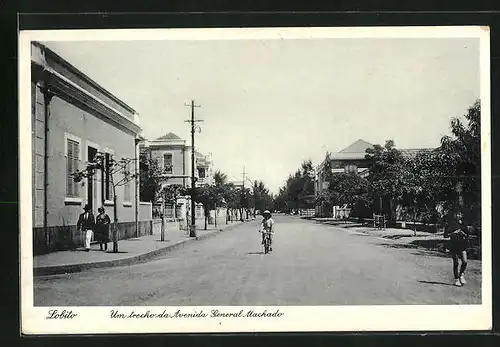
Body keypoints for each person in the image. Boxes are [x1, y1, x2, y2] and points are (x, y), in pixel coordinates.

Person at [444, 213, 470, 287]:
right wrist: (453, 233)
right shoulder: (449, 224)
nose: (458, 215)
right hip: (453, 245)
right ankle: (456, 280)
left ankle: (461, 274)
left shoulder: (464, 225)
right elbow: (445, 235)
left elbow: (467, 235)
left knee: (465, 261)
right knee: (456, 263)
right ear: (454, 215)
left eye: (459, 214)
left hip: (462, 245)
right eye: (456, 214)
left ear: (461, 215)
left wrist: (463, 234)